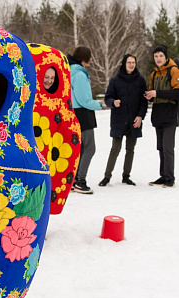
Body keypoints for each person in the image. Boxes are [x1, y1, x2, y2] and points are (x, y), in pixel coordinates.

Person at [99, 54, 147, 187]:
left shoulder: (140, 80)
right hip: (118, 120)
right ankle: (107, 177)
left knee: (130, 149)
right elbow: (108, 98)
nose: (131, 65)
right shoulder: (115, 80)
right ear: (124, 64)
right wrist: (113, 102)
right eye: (129, 62)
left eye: (133, 62)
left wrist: (140, 116)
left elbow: (144, 101)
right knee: (115, 148)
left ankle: (126, 176)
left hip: (134, 121)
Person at [144, 44, 179, 188]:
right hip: (158, 115)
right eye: (156, 56)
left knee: (168, 148)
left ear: (166, 57)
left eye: (161, 56)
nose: (158, 59)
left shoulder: (173, 71)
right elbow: (153, 94)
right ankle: (163, 176)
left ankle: (170, 178)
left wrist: (157, 93)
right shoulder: (154, 74)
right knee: (161, 148)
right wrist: (149, 96)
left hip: (170, 115)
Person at [68, 47, 102, 194]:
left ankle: (74, 179)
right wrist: (98, 105)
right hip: (83, 114)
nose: (91, 59)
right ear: (84, 58)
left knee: (80, 148)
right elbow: (84, 100)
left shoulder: (72, 71)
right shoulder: (79, 75)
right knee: (89, 148)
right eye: (90, 56)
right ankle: (80, 181)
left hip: (76, 113)